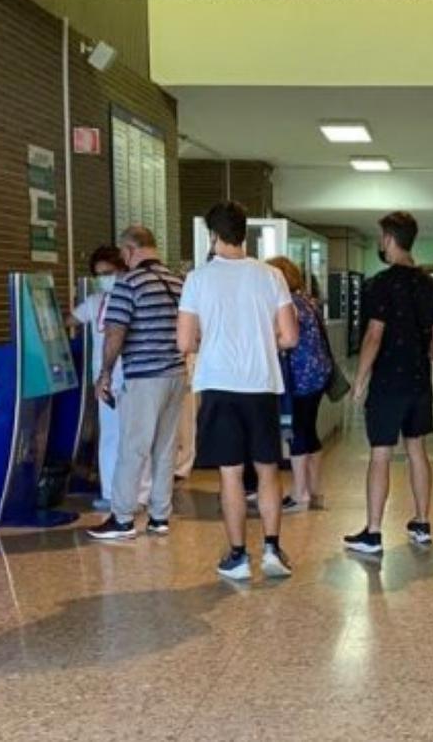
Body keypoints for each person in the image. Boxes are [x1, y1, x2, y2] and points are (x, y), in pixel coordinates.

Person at [177, 201, 299, 581]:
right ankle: (273, 550)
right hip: (261, 384)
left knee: (230, 474)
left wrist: (209, 338)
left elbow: (184, 340)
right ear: (243, 233)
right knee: (266, 469)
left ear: (212, 236)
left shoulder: (197, 279)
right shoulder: (271, 277)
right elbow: (290, 336)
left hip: (218, 385)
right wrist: (264, 342)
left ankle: (237, 557)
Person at [345, 211, 433, 555]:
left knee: (381, 455)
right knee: (417, 451)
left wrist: (359, 380)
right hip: (418, 384)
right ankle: (421, 524)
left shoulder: (381, 284)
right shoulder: (430, 285)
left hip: (388, 383)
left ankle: (373, 533)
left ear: (388, 239)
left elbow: (374, 335)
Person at [87, 227, 187, 541]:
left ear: (130, 250)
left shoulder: (128, 283)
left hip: (144, 377)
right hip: (176, 375)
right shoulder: (176, 282)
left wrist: (105, 373)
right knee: (165, 448)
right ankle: (159, 517)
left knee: (133, 447)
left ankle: (123, 518)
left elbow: (115, 332)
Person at [68, 246, 151, 513]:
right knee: (112, 438)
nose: (104, 278)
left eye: (109, 272)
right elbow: (70, 320)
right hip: (107, 383)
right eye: (99, 274)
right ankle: (111, 492)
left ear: (123, 270)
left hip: (135, 377)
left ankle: (140, 494)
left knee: (136, 438)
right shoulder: (96, 302)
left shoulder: (135, 297)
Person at [267, 256, 331, 512]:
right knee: (309, 430)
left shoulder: (289, 304)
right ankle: (314, 489)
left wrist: (266, 343)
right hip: (317, 375)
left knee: (295, 433)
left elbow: (287, 339)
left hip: (298, 377)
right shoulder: (308, 301)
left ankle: (299, 492)